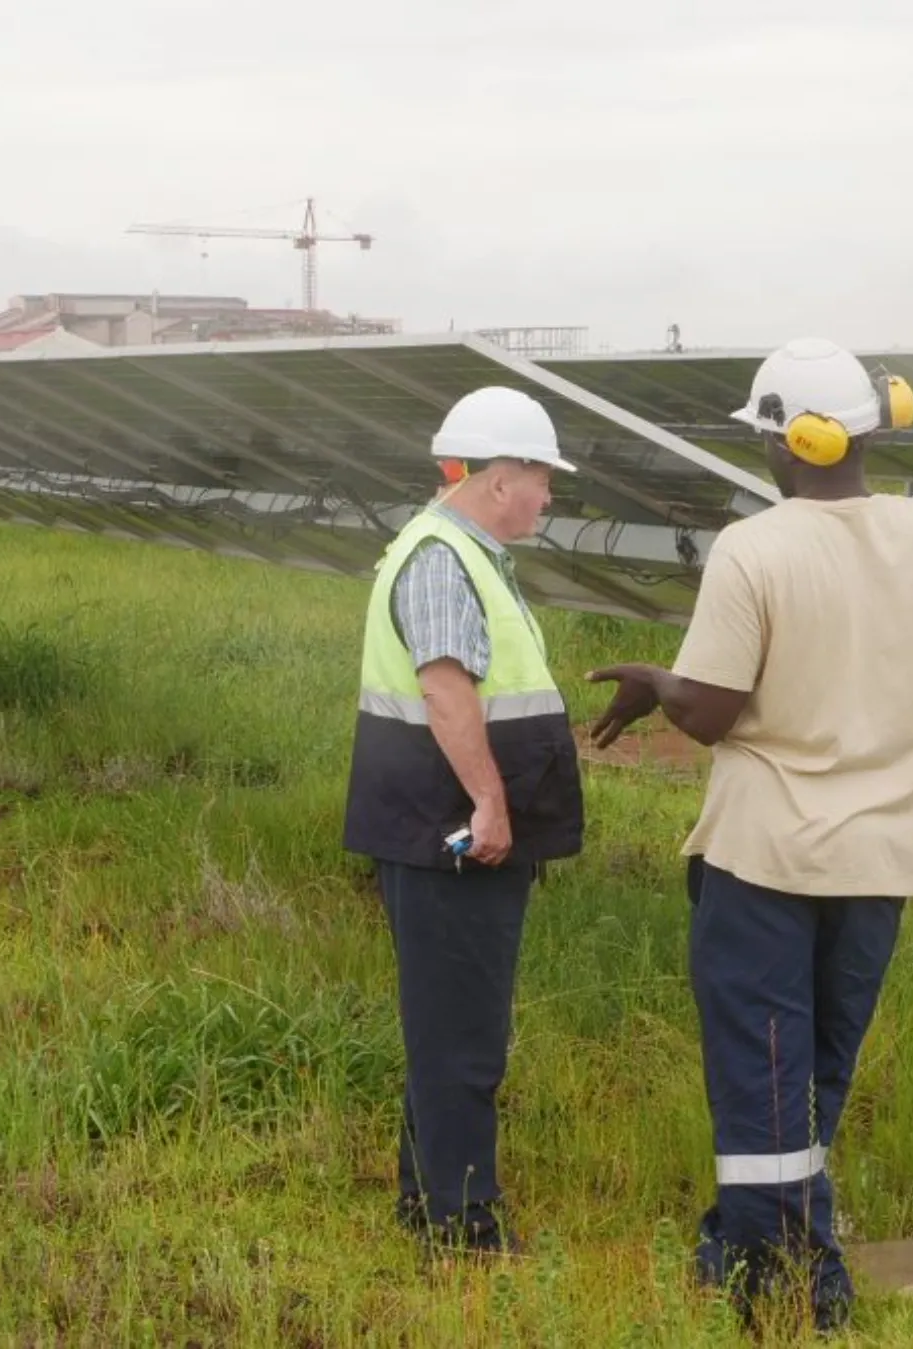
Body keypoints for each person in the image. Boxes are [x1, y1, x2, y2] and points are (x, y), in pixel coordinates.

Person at [585, 338, 913, 1330]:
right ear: (869, 422)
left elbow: (714, 711)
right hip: (880, 860)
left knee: (765, 1077)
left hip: (764, 855)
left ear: (788, 441)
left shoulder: (756, 549)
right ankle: (742, 1249)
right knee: (811, 1078)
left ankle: (807, 1287)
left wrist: (658, 684)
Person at [342, 385, 588, 1255]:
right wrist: (489, 801)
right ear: (496, 479)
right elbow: (448, 689)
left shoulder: (450, 547)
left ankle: (427, 1202)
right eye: (540, 477)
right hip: (448, 834)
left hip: (427, 827)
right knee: (466, 1038)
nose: (549, 496)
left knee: (446, 1026)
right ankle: (464, 1228)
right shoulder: (445, 558)